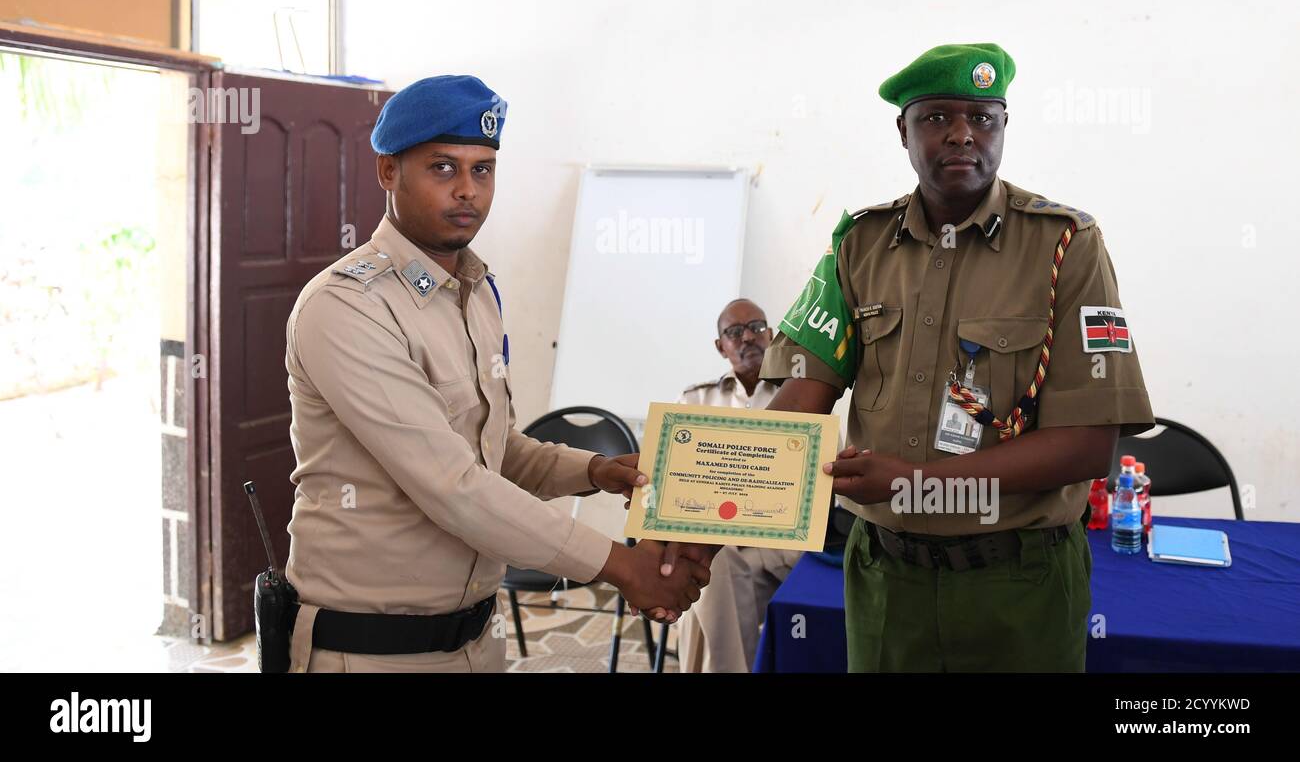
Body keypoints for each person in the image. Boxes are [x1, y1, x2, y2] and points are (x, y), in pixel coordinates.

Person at [283, 75, 709, 672]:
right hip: (371, 650)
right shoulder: (347, 307)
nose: (467, 191)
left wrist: (595, 471)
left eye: (482, 170)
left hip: (478, 641)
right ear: (388, 172)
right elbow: (451, 483)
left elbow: (492, 450)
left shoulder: (475, 292)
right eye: (442, 168)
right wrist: (623, 566)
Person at [759, 43, 1154, 672]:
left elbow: (1087, 445)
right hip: (886, 578)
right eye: (938, 117)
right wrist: (690, 513)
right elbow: (798, 400)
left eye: (982, 118)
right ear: (903, 131)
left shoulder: (1067, 247)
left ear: (1002, 127)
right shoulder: (859, 246)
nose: (962, 135)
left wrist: (915, 485)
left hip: (1019, 583)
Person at [673, 298, 802, 673]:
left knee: (703, 583)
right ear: (721, 347)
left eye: (757, 327)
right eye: (734, 332)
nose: (748, 337)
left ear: (772, 334)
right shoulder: (696, 400)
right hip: (717, 542)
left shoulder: (802, 397)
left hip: (777, 544)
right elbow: (675, 478)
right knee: (716, 565)